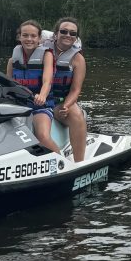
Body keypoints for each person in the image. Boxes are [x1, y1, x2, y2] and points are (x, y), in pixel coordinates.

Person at [6, 20, 61, 155]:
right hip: (19, 106)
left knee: (42, 136)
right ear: (19, 37)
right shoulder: (13, 60)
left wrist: (42, 96)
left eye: (33, 36)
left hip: (41, 106)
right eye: (25, 35)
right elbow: (8, 84)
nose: (29, 39)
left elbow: (47, 81)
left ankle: (63, 164)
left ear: (39, 38)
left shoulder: (46, 55)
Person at [41, 17, 87, 162]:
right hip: (39, 98)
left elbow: (75, 89)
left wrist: (66, 106)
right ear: (56, 34)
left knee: (76, 116)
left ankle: (79, 162)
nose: (68, 35)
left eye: (72, 33)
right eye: (64, 31)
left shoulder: (78, 59)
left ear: (76, 38)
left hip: (59, 101)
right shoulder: (40, 50)